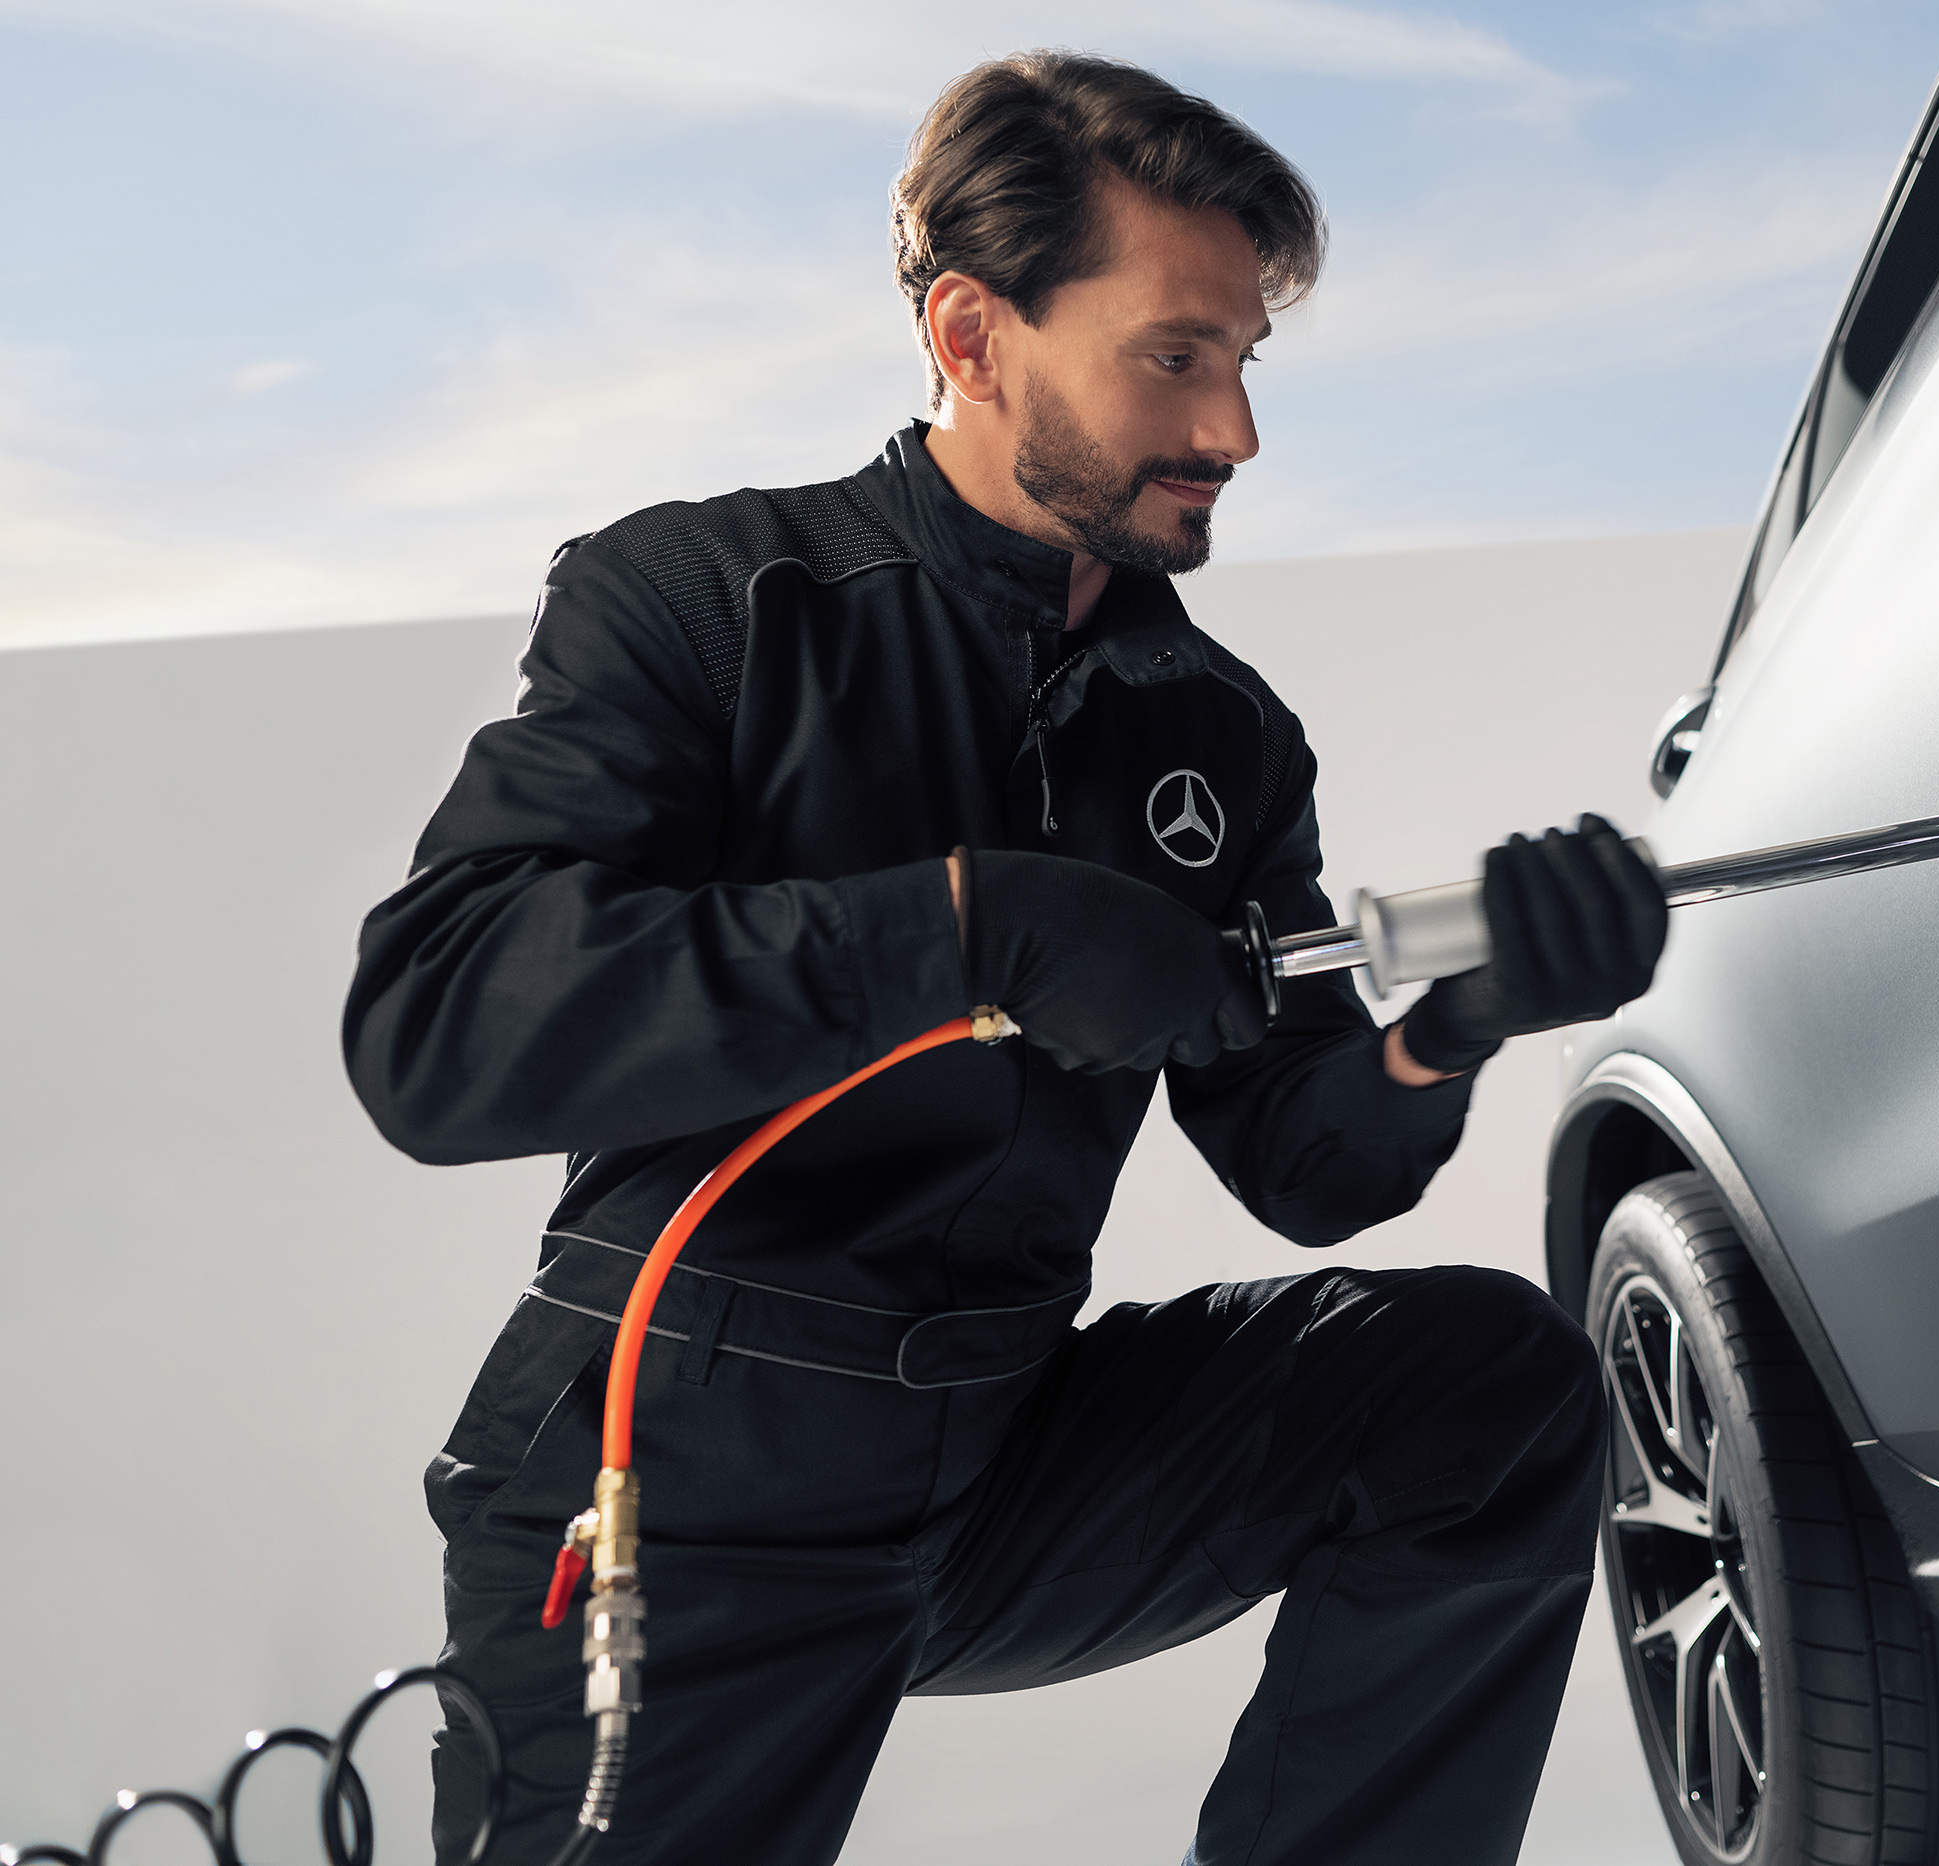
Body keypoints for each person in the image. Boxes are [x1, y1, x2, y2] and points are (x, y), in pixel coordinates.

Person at [343, 50, 1669, 1866]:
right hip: (679, 1486)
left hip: (1008, 1455)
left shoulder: (1218, 730)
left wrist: (1454, 1031)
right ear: (972, 336)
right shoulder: (710, 603)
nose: (1234, 434)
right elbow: (436, 1026)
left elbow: (1296, 1159)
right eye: (1173, 358)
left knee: (1484, 1389)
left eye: (1244, 365)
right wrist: (968, 925)